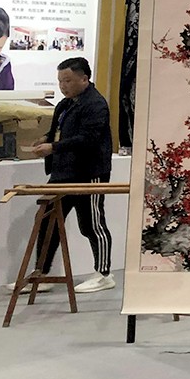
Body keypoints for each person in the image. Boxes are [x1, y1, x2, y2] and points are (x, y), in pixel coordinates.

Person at [24, 57, 115, 293]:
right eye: (60, 81)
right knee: (47, 219)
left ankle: (104, 274)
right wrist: (46, 139)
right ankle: (41, 273)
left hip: (89, 172)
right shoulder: (65, 104)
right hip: (63, 171)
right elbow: (58, 131)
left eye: (68, 81)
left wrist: (53, 147)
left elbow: (88, 139)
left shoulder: (96, 104)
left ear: (84, 79)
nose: (63, 86)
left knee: (92, 224)